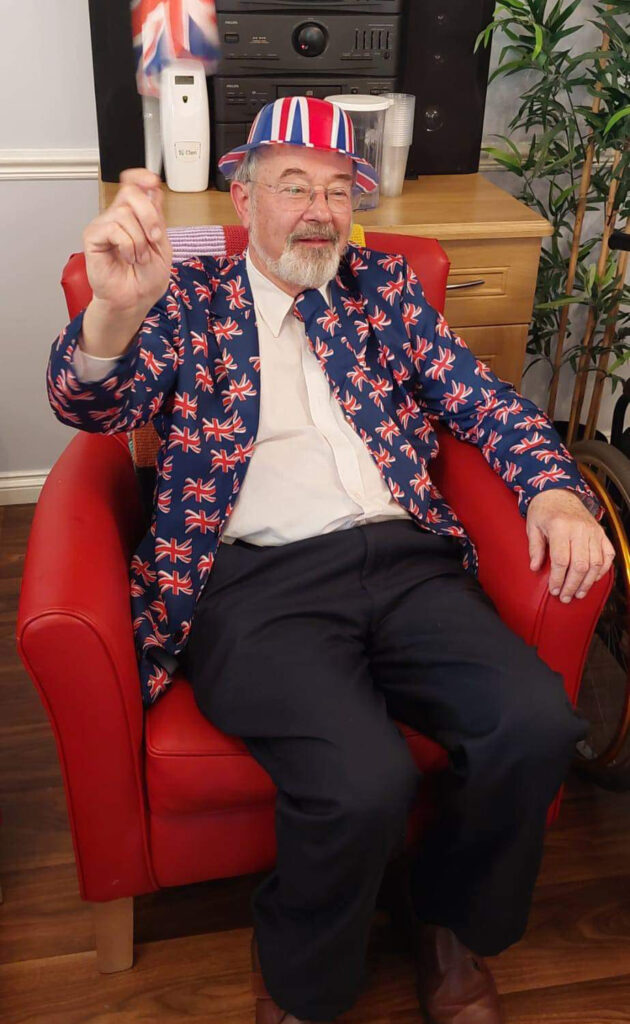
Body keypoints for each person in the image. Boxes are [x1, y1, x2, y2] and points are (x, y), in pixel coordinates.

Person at [47, 96, 614, 1024]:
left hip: (405, 561)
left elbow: (483, 401)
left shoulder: (383, 288)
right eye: (293, 187)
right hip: (253, 581)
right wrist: (112, 313)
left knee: (536, 724)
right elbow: (91, 407)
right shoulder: (185, 297)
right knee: (362, 782)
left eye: (338, 190)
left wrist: (553, 488)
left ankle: (446, 922)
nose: (319, 210)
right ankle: (302, 977)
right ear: (244, 200)